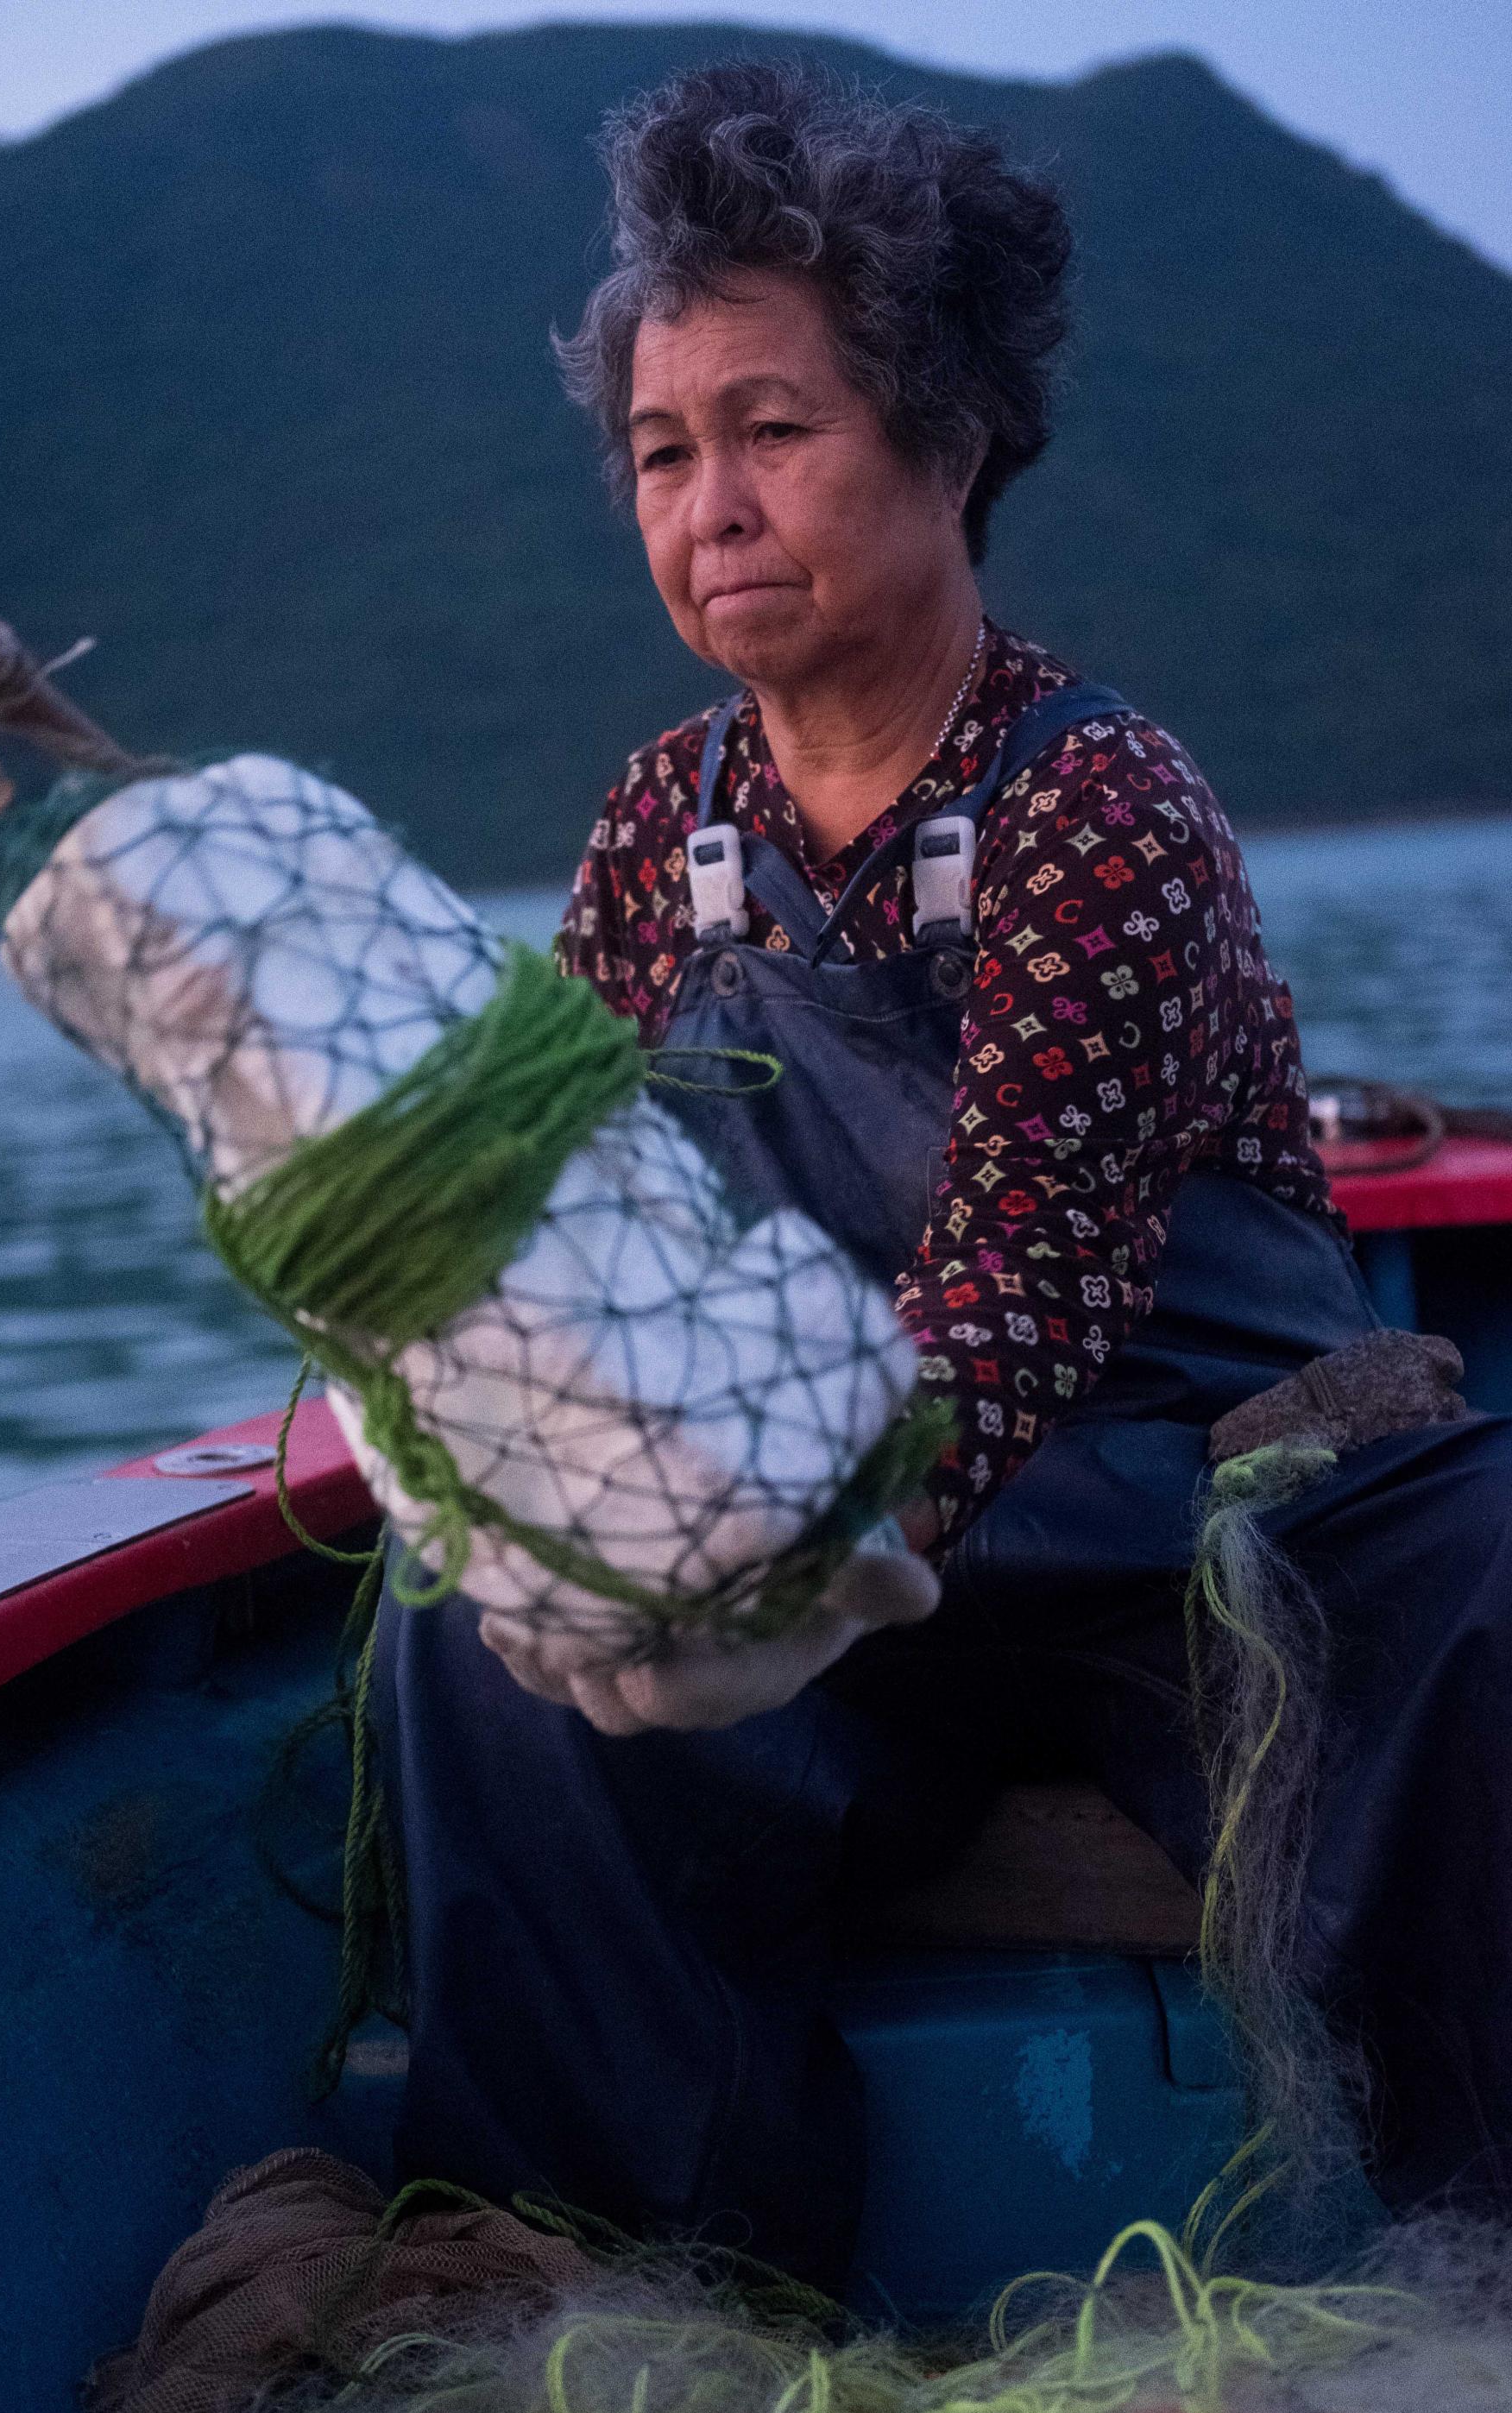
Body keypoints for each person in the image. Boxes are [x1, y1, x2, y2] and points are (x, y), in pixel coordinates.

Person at [371, 60, 1512, 2287]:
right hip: (860, 1547)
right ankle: (628, 2276)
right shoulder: (654, 824)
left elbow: (1020, 1310)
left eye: (774, 429)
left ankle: (1466, 2258)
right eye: (662, 449)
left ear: (952, 433)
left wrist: (749, 1561)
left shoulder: (1101, 797)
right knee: (477, 1646)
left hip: (1186, 1514)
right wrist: (552, 1502)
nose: (713, 501)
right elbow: (589, 1233)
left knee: (1478, 1573)